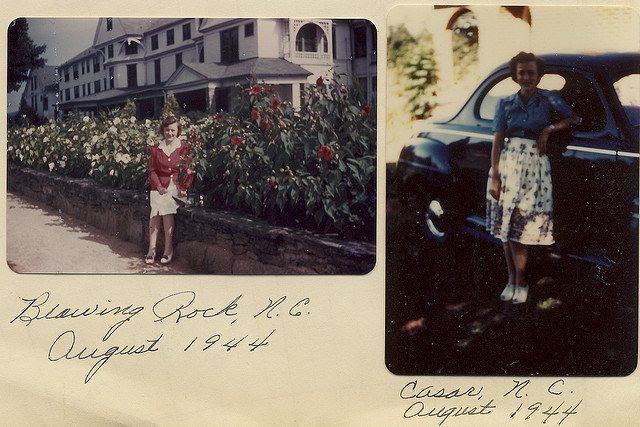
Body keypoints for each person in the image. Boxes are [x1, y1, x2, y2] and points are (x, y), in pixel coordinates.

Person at [486, 52, 579, 304]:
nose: (526, 77)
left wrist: (549, 129)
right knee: (506, 230)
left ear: (538, 75)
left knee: (520, 230)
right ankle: (511, 281)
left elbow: (573, 118)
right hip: (509, 166)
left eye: (531, 72)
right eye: (521, 72)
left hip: (534, 168)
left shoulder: (549, 99)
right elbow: (497, 142)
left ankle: (523, 282)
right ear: (515, 75)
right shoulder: (504, 104)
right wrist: (495, 176)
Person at [145, 115, 194, 264]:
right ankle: (151, 249)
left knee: (165, 210)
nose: (170, 133)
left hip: (176, 187)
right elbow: (152, 170)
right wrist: (158, 185)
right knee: (155, 212)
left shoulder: (184, 147)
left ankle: (168, 249)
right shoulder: (156, 148)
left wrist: (185, 188)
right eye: (167, 130)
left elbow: (188, 170)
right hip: (160, 187)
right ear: (163, 130)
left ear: (178, 131)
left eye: (173, 130)